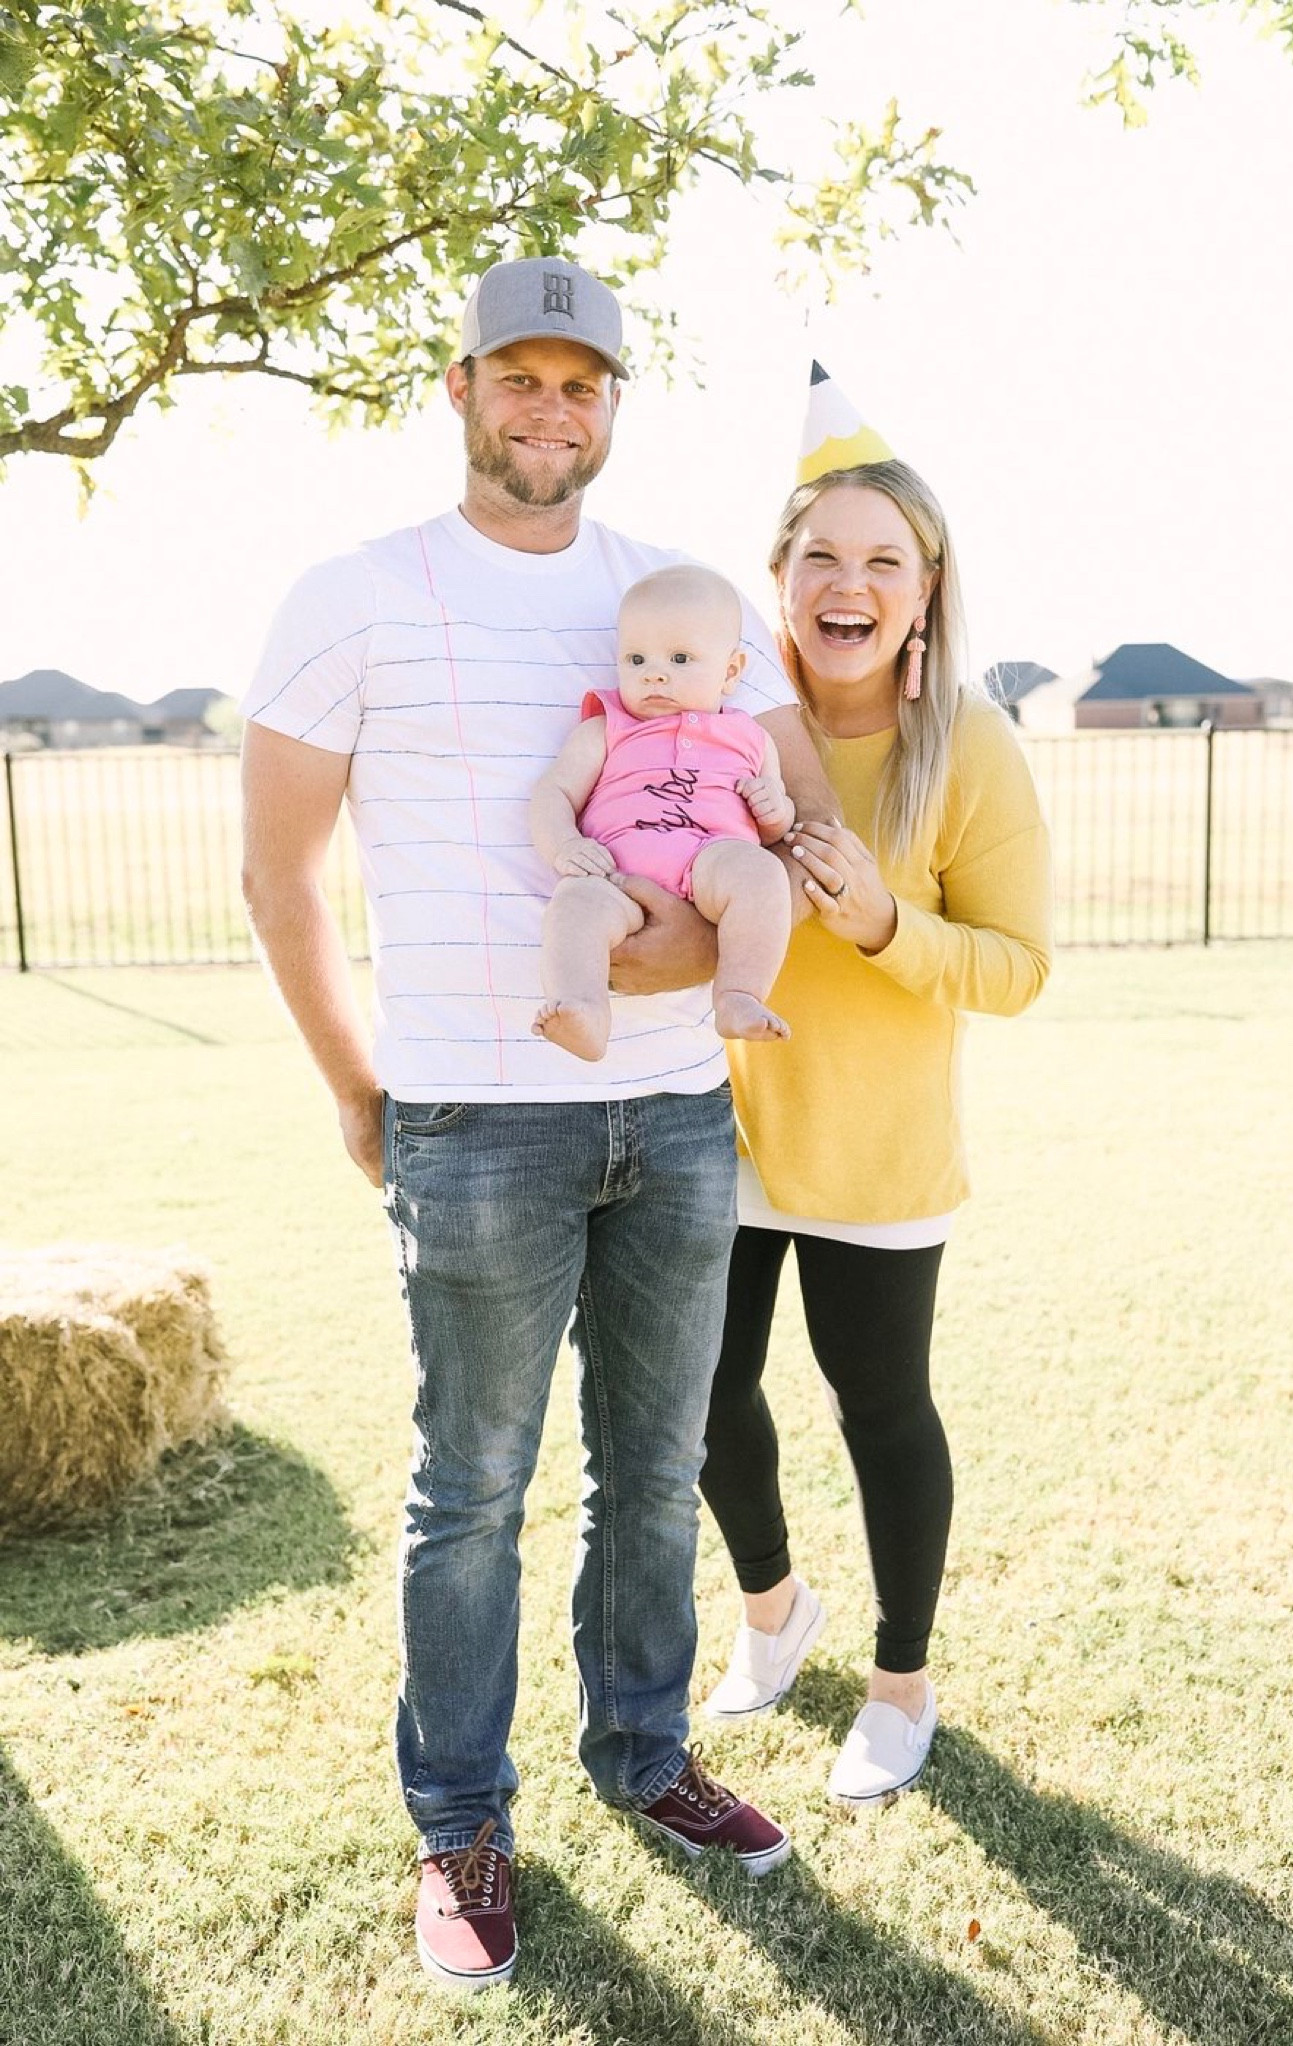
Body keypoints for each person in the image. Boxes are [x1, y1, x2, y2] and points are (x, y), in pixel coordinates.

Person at [239, 258, 833, 1994]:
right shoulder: (353, 594)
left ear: (611, 405)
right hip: (473, 1114)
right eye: (521, 378)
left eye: (581, 384)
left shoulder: (664, 592)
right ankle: (458, 1820)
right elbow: (278, 874)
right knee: (469, 1490)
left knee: (651, 1476)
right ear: (460, 387)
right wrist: (357, 1090)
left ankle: (642, 1758)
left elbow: (769, 791)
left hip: (669, 1114)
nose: (548, 410)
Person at [697, 367, 1053, 1808]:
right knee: (703, 1401)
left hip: (879, 1151)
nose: (850, 583)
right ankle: (777, 1614)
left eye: (882, 560)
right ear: (778, 579)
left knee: (878, 1407)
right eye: (820, 556)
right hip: (714, 1134)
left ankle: (901, 1680)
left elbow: (1021, 966)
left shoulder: (967, 744)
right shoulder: (720, 724)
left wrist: (886, 929)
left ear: (925, 589)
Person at [530, 563, 795, 1060]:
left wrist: (773, 807)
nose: (654, 673)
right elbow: (554, 794)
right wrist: (565, 846)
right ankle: (583, 1009)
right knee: (573, 907)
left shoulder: (752, 738)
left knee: (763, 874)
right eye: (635, 658)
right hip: (615, 872)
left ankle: (739, 994)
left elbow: (777, 819)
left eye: (679, 658)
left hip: (710, 861)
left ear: (731, 671)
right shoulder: (606, 727)